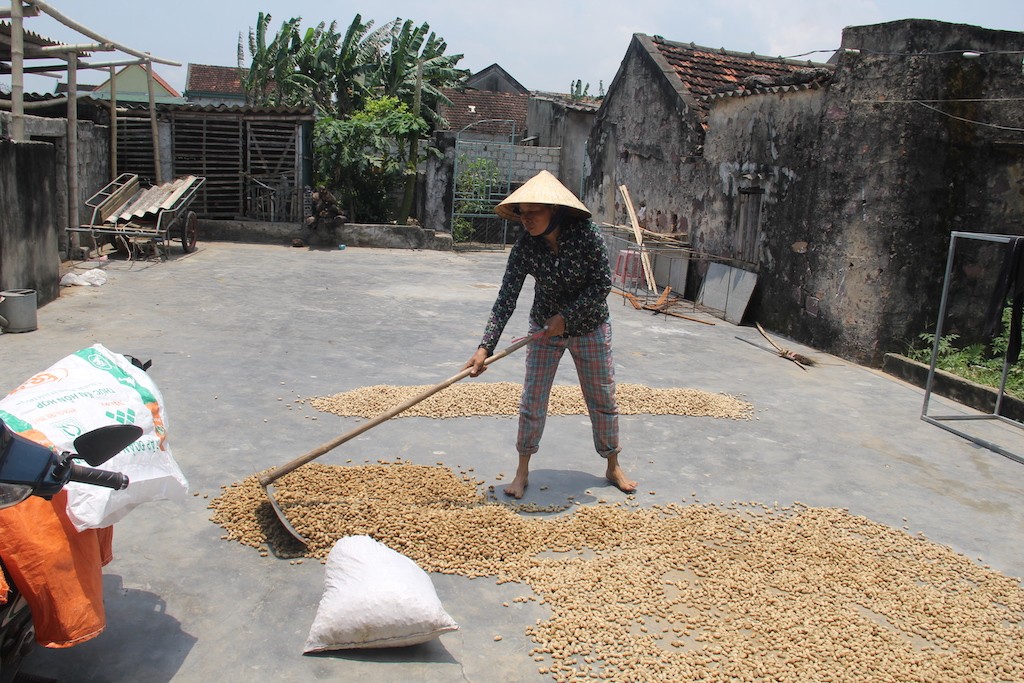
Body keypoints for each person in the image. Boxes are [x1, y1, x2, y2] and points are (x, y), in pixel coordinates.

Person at [464, 170, 638, 499]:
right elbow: (506, 299)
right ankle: (521, 471)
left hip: (590, 326)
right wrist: (484, 348)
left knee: (602, 397)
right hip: (544, 329)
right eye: (522, 213)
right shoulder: (526, 248)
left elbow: (602, 285)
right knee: (533, 398)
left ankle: (613, 463)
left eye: (534, 212)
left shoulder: (586, 235)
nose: (526, 220)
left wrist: (568, 317)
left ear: (555, 210)